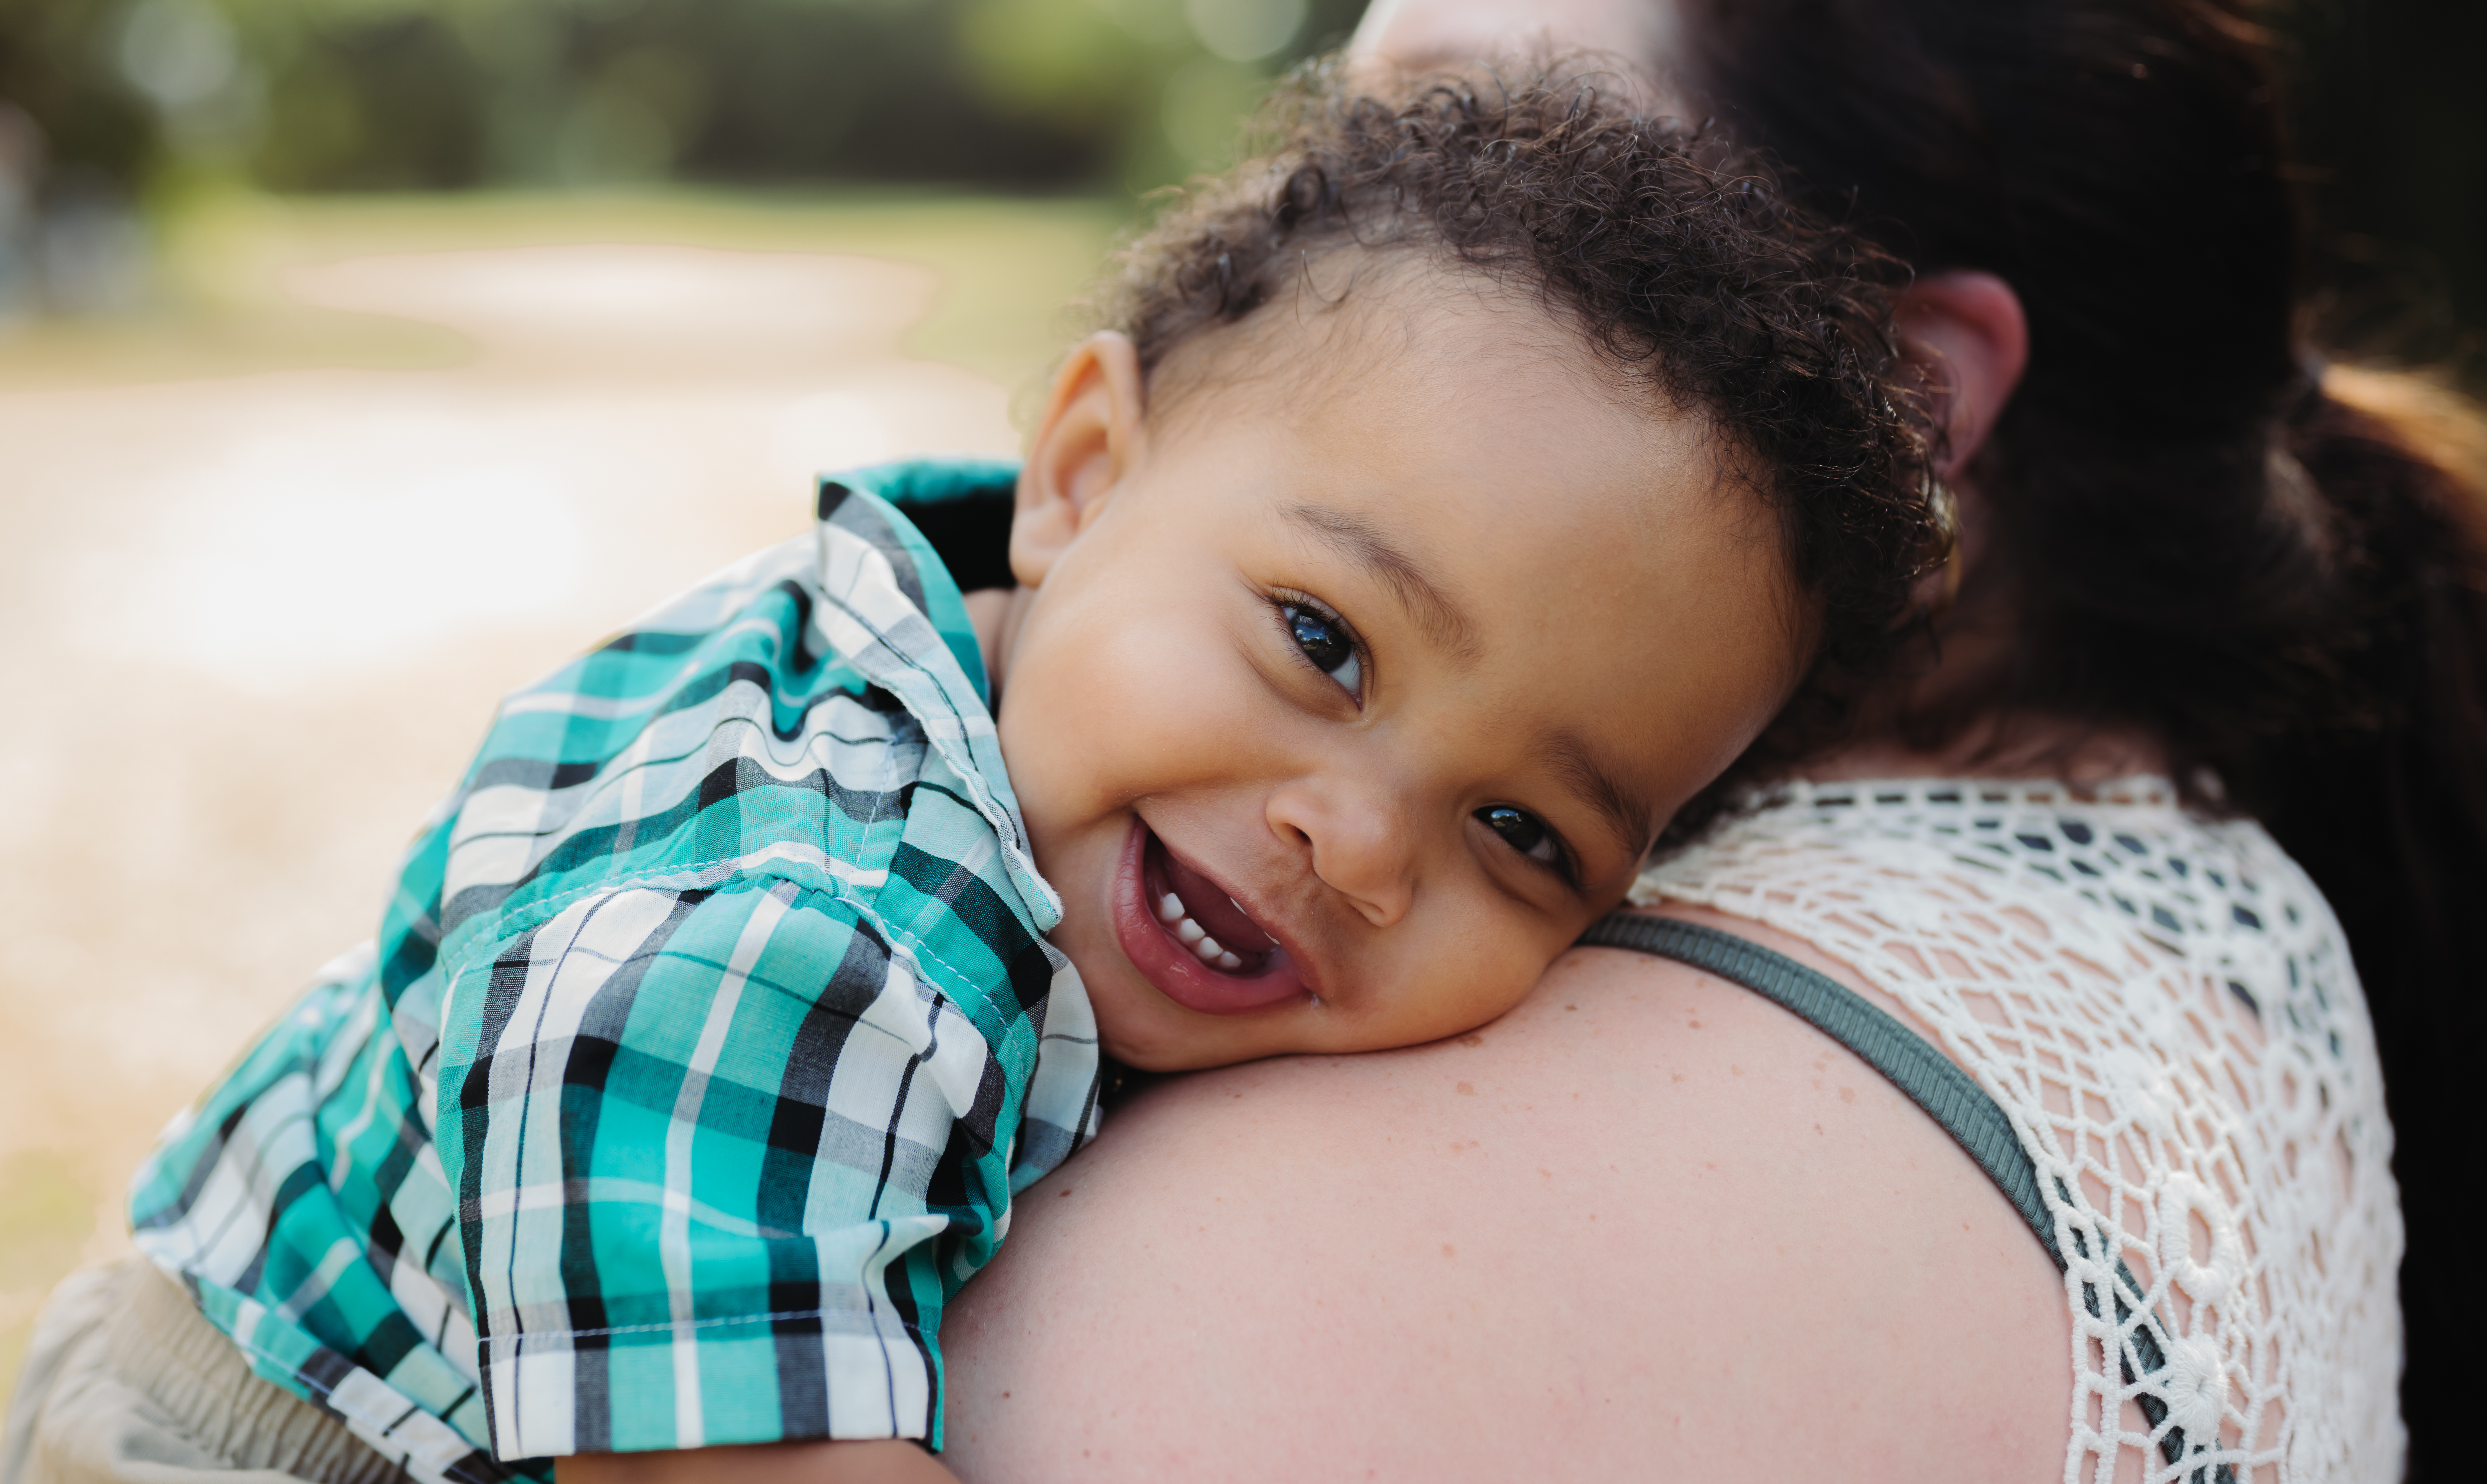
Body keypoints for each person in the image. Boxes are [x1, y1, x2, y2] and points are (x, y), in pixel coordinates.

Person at [1, 76, 1952, 1484]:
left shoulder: (1012, 676)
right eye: (1322, 643)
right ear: (1084, 470)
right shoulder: (794, 931)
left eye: (1523, 834)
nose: (1355, 844)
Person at [923, 0, 2482, 1484]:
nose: (1335, 213)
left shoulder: (1454, 1178)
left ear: (1899, 419)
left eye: (1467, 130)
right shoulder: (2213, 944)